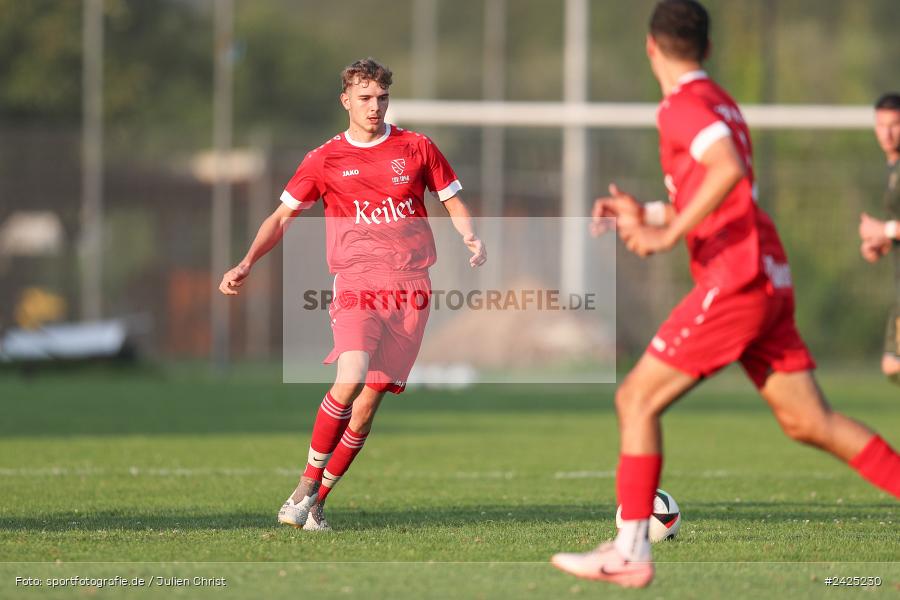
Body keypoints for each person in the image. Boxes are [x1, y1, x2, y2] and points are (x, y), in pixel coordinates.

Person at [551, 0, 900, 588]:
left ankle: (630, 550)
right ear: (707, 49)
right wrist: (651, 209)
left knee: (636, 399)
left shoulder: (682, 106)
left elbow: (728, 170)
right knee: (810, 422)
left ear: (651, 47)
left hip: (735, 281)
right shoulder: (721, 103)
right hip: (766, 273)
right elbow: (723, 186)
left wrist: (665, 234)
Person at [219, 58, 486, 531]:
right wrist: (246, 262)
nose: (374, 107)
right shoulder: (324, 159)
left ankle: (315, 501)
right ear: (346, 100)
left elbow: (451, 198)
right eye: (364, 98)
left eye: (381, 97)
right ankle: (305, 482)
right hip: (356, 283)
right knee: (351, 375)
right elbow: (281, 218)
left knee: (366, 407)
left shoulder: (417, 147)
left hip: (411, 288)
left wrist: (470, 235)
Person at [858, 93, 900, 385]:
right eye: (881, 125)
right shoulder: (892, 169)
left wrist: (883, 231)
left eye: (895, 124)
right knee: (893, 365)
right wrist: (884, 242)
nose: (886, 133)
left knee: (893, 365)